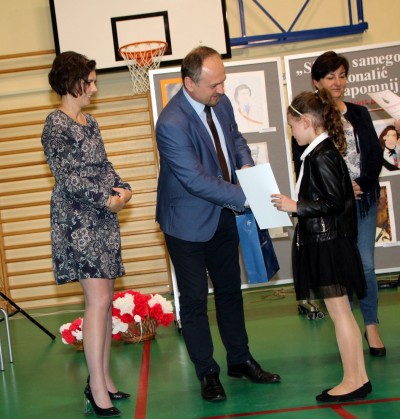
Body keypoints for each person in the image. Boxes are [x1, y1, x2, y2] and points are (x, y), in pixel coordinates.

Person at [155, 46, 280, 402]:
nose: (222, 90)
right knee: (195, 299)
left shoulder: (220, 104)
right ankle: (207, 372)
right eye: (214, 85)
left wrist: (247, 169)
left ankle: (239, 360)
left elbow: (236, 140)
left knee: (230, 291)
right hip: (186, 224)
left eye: (223, 82)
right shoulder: (171, 123)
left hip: (223, 214)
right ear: (189, 84)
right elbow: (195, 180)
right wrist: (248, 196)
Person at [41, 51, 132, 418]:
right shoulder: (55, 123)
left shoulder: (90, 122)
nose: (94, 89)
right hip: (78, 221)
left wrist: (122, 189)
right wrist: (105, 199)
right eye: (90, 82)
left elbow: (103, 165)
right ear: (72, 82)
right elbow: (68, 177)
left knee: (106, 300)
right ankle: (96, 390)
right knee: (97, 301)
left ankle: (104, 379)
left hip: (102, 219)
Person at [272, 89, 370, 402]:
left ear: (305, 122)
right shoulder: (320, 152)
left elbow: (333, 201)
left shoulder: (321, 155)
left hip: (329, 243)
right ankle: (358, 377)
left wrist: (296, 206)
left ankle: (353, 380)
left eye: (292, 125)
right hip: (330, 241)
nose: (292, 132)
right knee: (343, 313)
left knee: (340, 313)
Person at [292, 51, 385, 357]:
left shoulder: (359, 113)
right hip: (331, 208)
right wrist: (341, 190)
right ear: (316, 81)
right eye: (330, 76)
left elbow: (374, 155)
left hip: (362, 200)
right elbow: (303, 164)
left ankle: (371, 325)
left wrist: (362, 184)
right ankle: (347, 329)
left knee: (365, 264)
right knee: (338, 269)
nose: (337, 82)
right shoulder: (309, 117)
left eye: (342, 76)